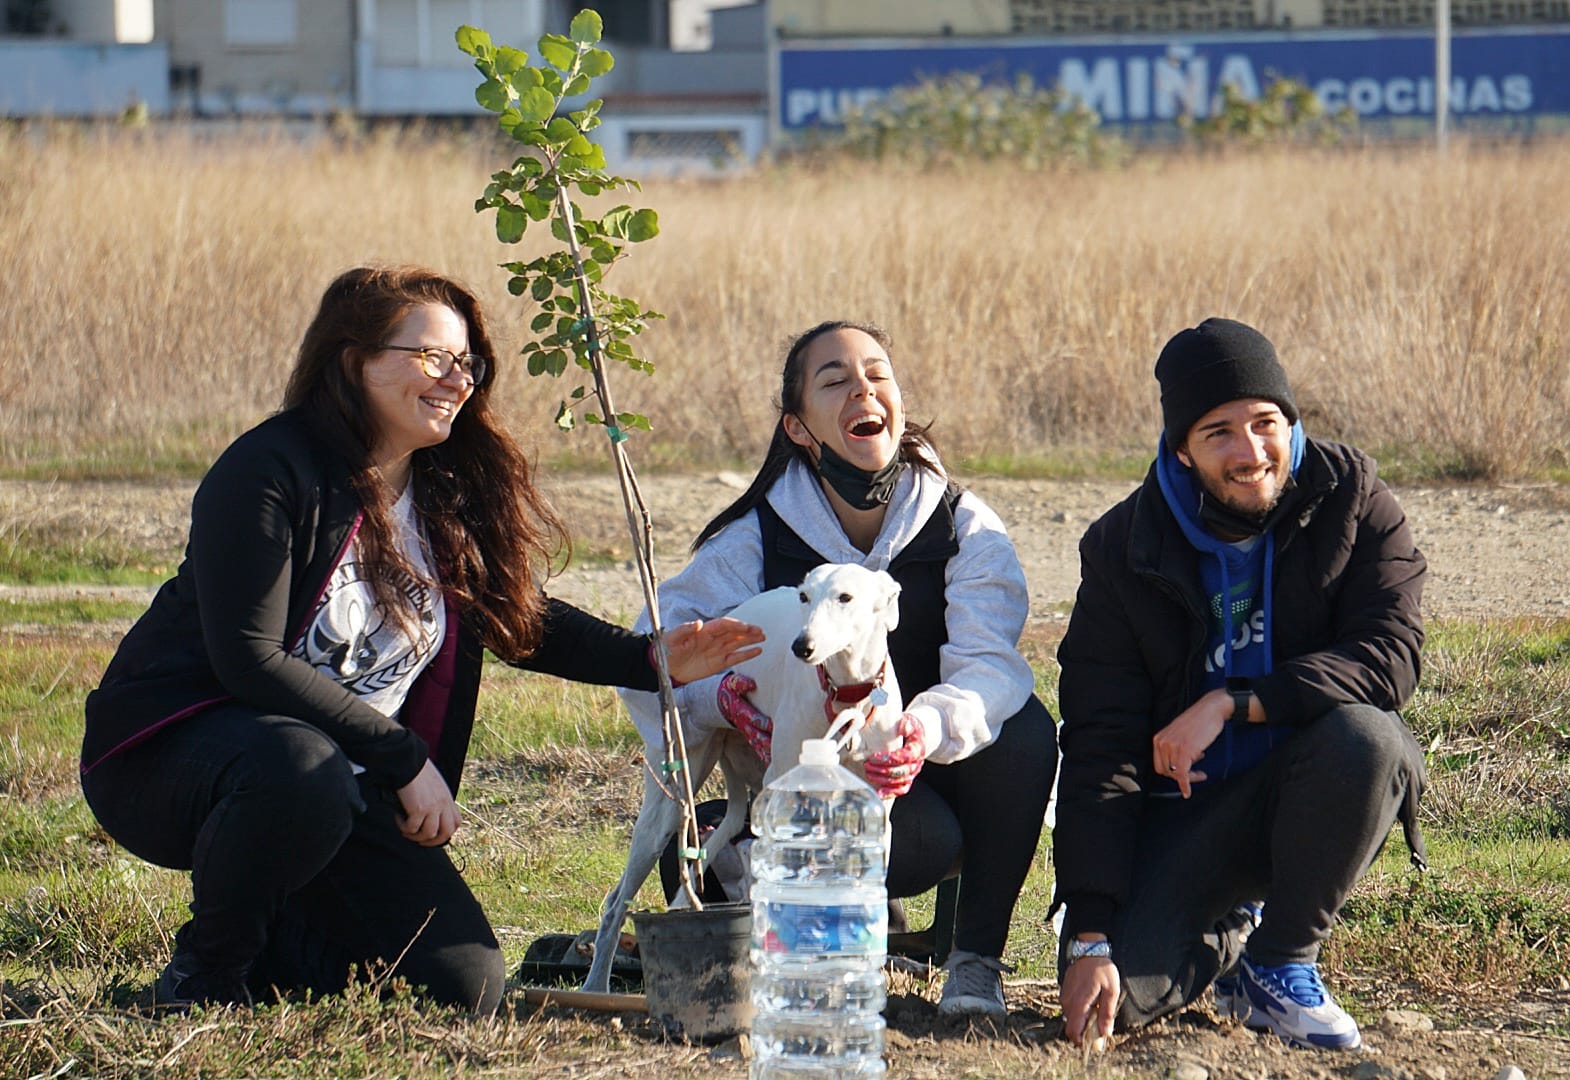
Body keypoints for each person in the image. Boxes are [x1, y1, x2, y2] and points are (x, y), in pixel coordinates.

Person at [79, 266, 761, 1015]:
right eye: (433, 356)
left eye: (467, 362)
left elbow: (518, 617)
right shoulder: (269, 470)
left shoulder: (442, 490)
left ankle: (274, 937)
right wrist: (404, 759)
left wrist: (647, 657)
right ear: (354, 360)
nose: (457, 378)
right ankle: (203, 977)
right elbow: (250, 657)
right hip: (181, 759)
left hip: (343, 781)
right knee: (299, 767)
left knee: (463, 985)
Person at [619, 320, 1059, 1020]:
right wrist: (725, 700)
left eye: (878, 373)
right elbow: (653, 646)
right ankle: (745, 871)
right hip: (820, 778)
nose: (863, 388)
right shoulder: (755, 537)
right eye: (835, 379)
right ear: (798, 429)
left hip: (927, 764)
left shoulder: (963, 525)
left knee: (1030, 732)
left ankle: (974, 964)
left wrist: (922, 728)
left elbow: (990, 668)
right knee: (923, 841)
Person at [1052, 317, 1429, 1051]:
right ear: (1182, 451)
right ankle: (1226, 937)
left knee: (1369, 738)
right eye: (1219, 432)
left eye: (1267, 423)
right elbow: (1100, 738)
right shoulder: (1121, 548)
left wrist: (1233, 703)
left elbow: (1390, 655)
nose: (1252, 452)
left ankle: (1280, 959)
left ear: (1291, 420)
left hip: (1304, 792)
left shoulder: (1353, 497)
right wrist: (1091, 933)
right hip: (1181, 815)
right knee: (1111, 1013)